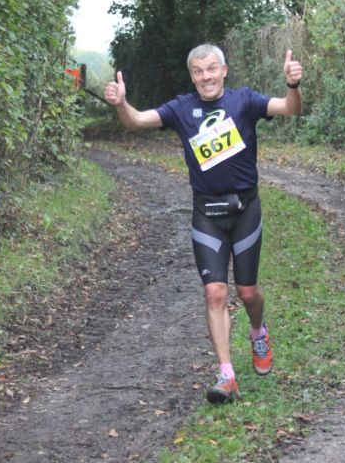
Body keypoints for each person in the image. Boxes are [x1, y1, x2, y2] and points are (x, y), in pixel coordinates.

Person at [105, 44, 302, 404]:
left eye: (211, 69)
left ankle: (258, 331)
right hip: (206, 214)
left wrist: (293, 85)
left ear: (224, 71)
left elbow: (291, 108)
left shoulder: (244, 101)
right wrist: (121, 104)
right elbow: (137, 121)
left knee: (247, 293)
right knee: (215, 292)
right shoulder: (182, 108)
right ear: (192, 76)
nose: (206, 76)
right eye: (198, 71)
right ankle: (226, 375)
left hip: (245, 211)